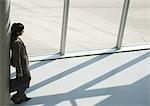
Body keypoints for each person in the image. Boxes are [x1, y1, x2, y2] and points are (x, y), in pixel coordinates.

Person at [10, 23, 31, 104]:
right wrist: (20, 72)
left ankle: (21, 96)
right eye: (21, 31)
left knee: (25, 80)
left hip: (24, 64)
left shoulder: (15, 39)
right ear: (18, 32)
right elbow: (17, 59)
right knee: (27, 79)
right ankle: (17, 97)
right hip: (22, 65)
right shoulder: (16, 43)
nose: (23, 32)